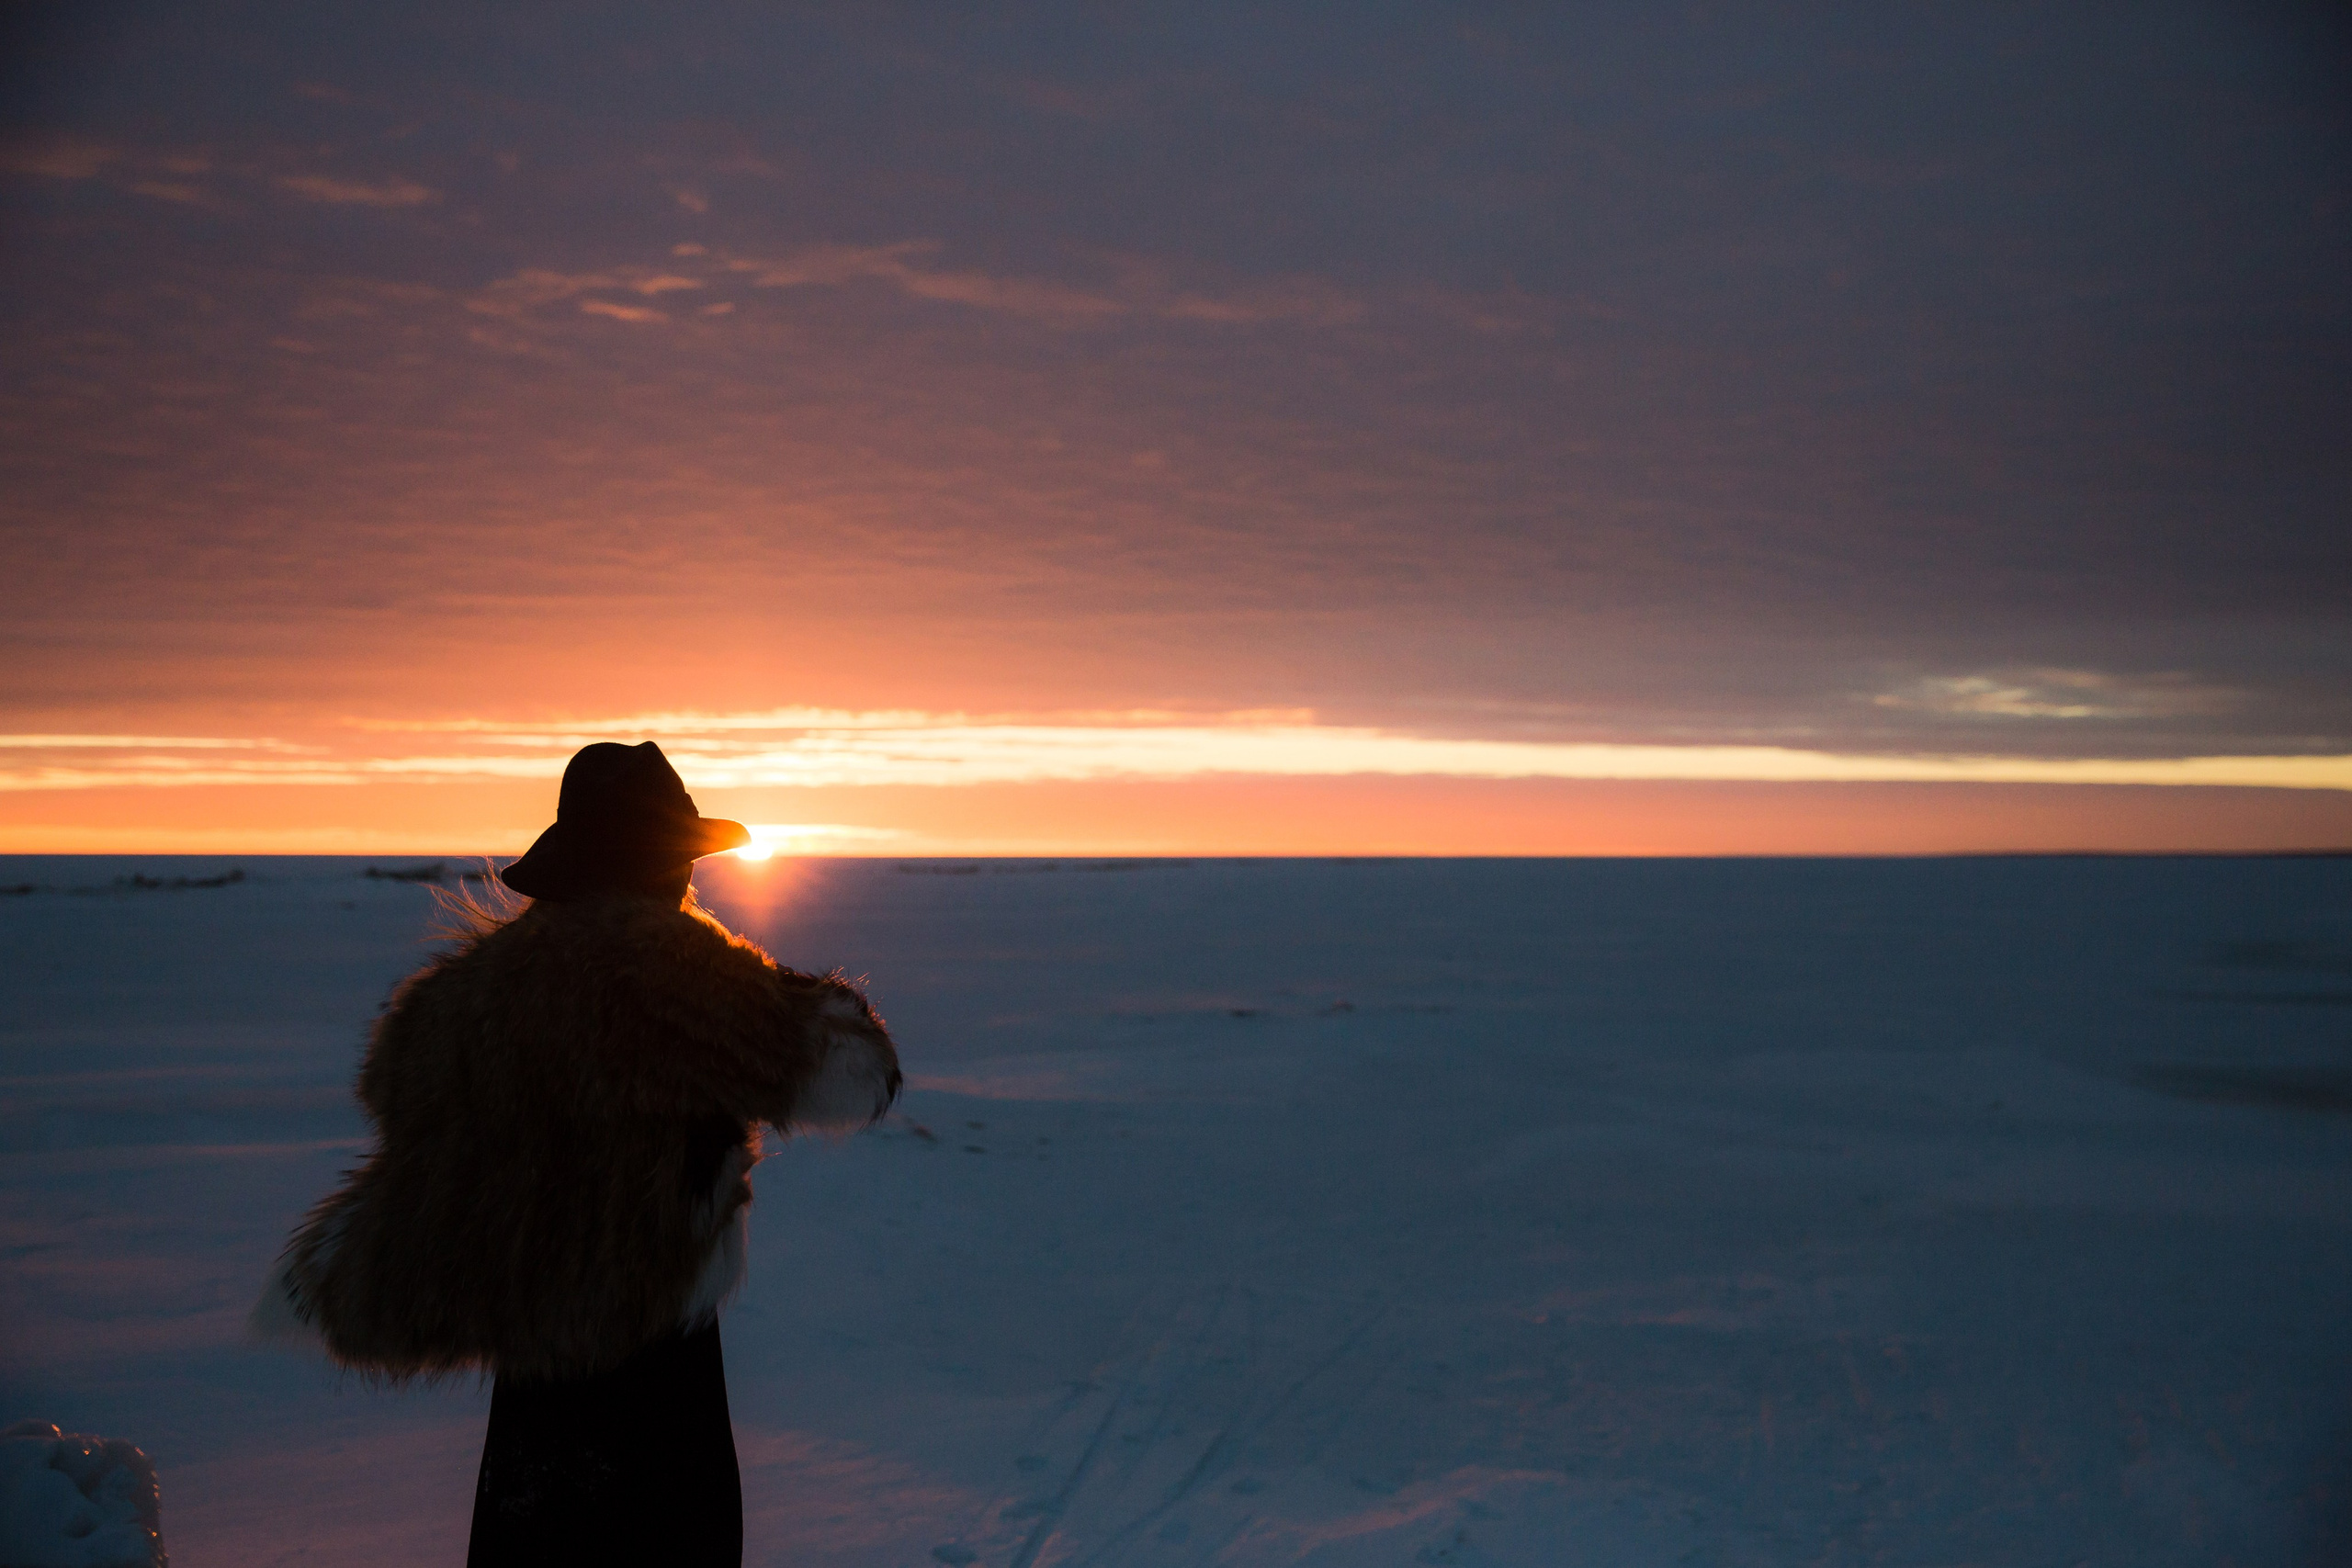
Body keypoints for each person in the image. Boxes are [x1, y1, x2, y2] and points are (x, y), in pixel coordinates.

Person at [253, 741, 901, 1566]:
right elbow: (861, 1076)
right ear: (670, 869)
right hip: (659, 1370)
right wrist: (755, 978)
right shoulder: (692, 985)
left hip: (531, 1383)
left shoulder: (461, 1000)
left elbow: (411, 1132)